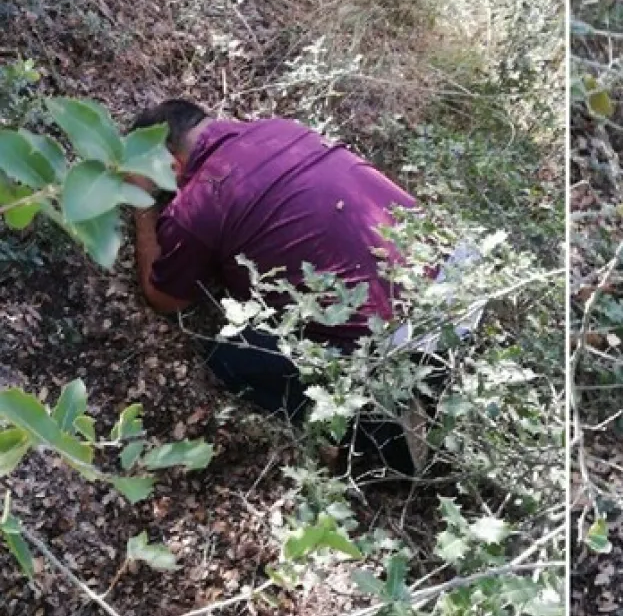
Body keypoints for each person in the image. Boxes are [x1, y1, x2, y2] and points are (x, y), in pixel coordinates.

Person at [127, 99, 428, 475]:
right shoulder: (283, 129)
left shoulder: (202, 199)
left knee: (230, 355)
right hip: (447, 286)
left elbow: (164, 297)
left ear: (170, 163)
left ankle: (373, 437)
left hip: (391, 349)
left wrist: (142, 204)